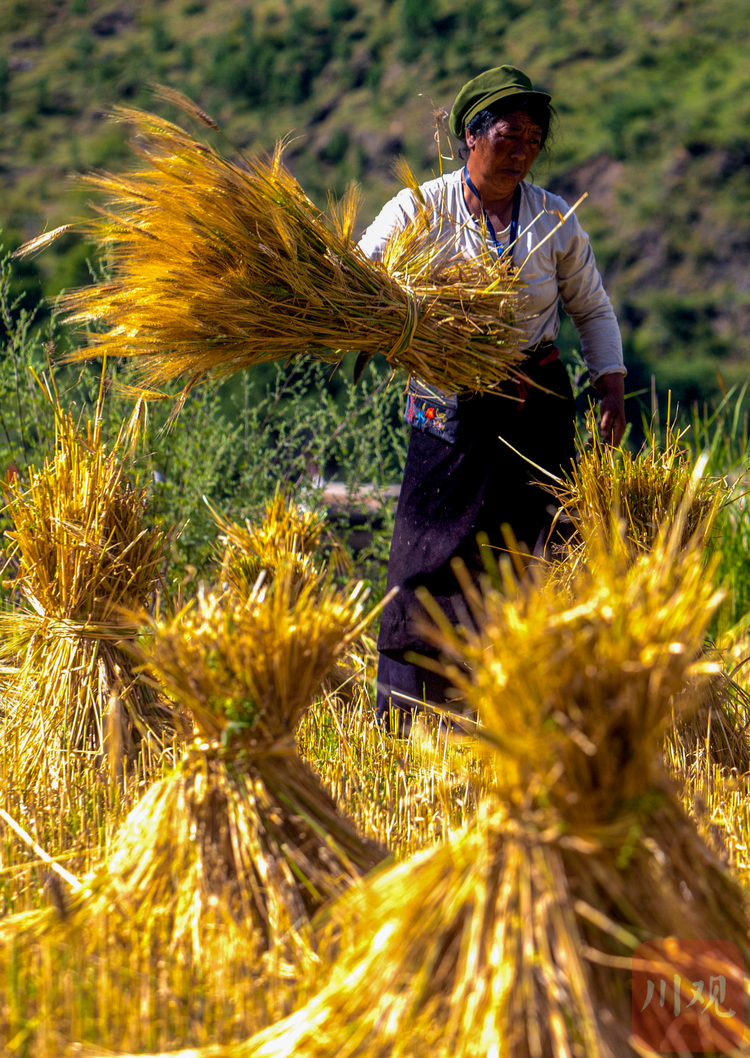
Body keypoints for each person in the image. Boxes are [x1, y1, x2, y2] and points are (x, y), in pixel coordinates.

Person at [358, 65, 627, 730]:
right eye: (510, 134)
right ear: (470, 136)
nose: (523, 149)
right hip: (449, 407)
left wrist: (611, 389)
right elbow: (360, 279)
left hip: (536, 404)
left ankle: (520, 712)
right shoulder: (419, 209)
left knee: (539, 551)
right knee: (430, 554)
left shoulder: (554, 218)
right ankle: (409, 719)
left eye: (535, 139)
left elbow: (592, 311)